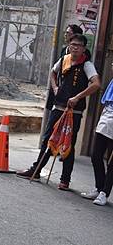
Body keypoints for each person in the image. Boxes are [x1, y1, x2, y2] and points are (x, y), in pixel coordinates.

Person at [17, 34, 101, 190]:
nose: (75, 47)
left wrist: (78, 96)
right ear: (69, 45)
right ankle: (36, 170)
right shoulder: (64, 60)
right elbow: (52, 72)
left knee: (68, 143)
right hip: (58, 108)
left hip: (74, 112)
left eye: (79, 45)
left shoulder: (87, 65)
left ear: (83, 48)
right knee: (48, 140)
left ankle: (65, 179)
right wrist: (55, 88)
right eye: (73, 44)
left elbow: (96, 84)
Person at [81, 61, 113, 206]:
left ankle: (104, 192)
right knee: (96, 155)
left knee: (111, 161)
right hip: (106, 118)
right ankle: (99, 186)